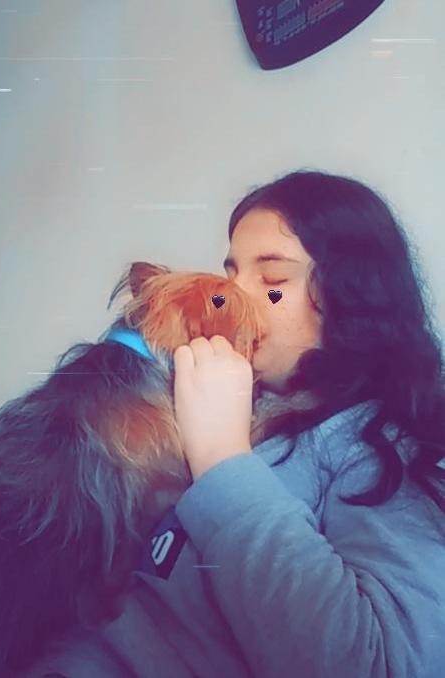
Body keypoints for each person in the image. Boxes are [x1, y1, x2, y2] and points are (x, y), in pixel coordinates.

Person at [25, 169, 444, 677]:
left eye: (272, 282)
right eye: (231, 274)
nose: (234, 296)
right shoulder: (240, 402)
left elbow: (376, 665)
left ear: (352, 294)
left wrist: (222, 458)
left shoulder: (389, 453)